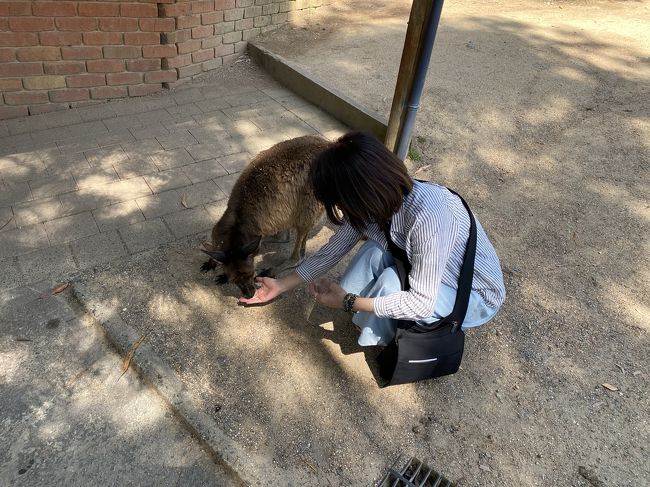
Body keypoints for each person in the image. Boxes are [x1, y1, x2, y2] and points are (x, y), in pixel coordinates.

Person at [239, 132, 505, 347]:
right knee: (373, 251)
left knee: (389, 284)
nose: (340, 210)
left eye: (340, 202)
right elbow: (332, 251)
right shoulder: (382, 200)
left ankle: (384, 337)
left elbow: (421, 302)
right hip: (433, 267)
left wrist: (348, 301)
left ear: (358, 195)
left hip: (474, 295)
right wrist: (280, 285)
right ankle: (370, 313)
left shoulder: (427, 218)